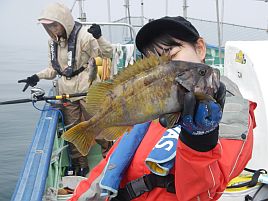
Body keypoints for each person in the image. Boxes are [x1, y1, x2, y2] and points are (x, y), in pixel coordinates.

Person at [68, 16, 256, 201]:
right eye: (154, 63)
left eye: (171, 55)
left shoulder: (231, 113)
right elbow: (107, 168)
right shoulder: (153, 111)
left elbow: (203, 195)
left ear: (200, 48)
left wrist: (199, 143)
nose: (164, 68)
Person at [18, 3, 113, 177]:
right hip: (66, 92)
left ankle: (110, 159)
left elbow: (107, 54)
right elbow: (54, 69)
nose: (52, 29)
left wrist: (99, 37)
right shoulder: (52, 42)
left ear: (64, 22)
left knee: (99, 127)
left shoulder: (85, 36)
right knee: (73, 130)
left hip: (88, 90)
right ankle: (81, 165)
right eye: (48, 27)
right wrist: (36, 77)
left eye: (54, 25)